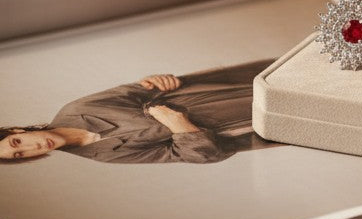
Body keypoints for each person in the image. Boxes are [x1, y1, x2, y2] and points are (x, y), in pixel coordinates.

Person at [0, 61, 274, 164]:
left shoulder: (77, 109)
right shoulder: (104, 155)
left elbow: (141, 88)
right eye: (20, 154)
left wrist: (157, 81)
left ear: (17, 131)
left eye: (17, 143)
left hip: (216, 94)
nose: (32, 147)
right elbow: (200, 155)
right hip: (239, 125)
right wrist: (180, 126)